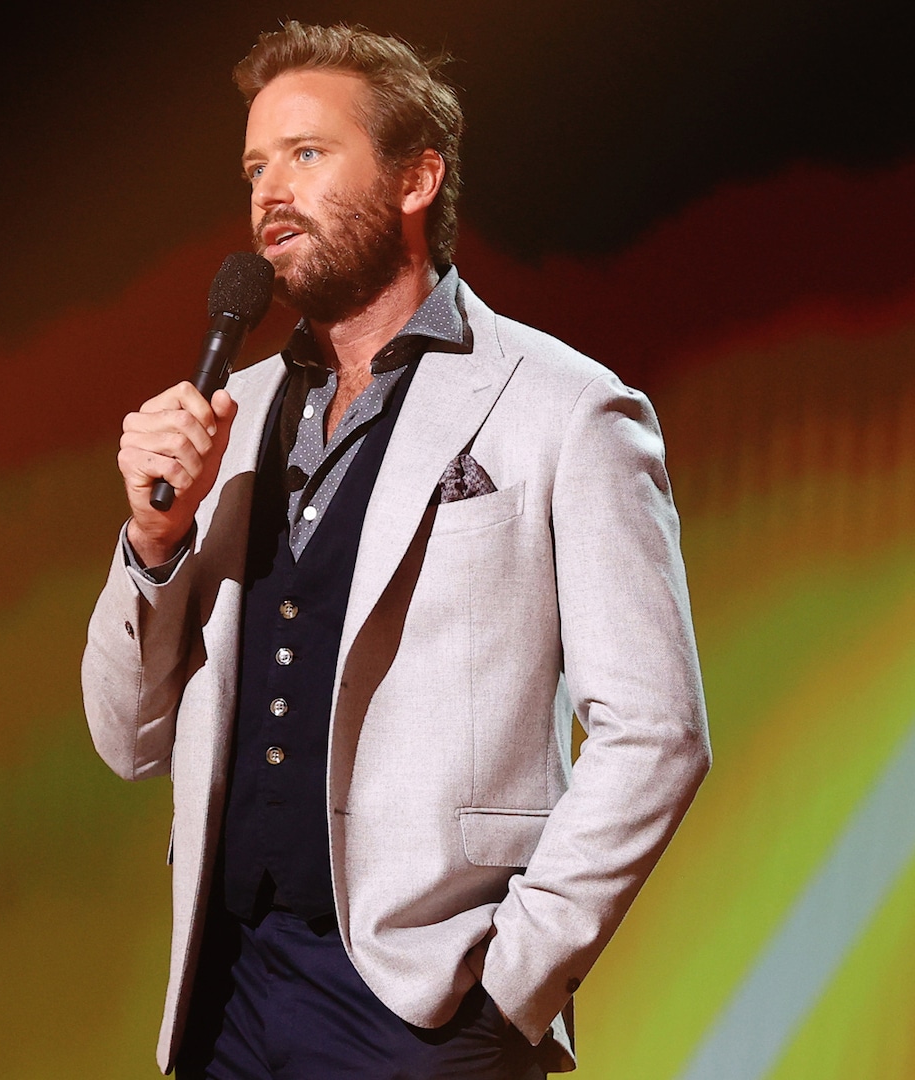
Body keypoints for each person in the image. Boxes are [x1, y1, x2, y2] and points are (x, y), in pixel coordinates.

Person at [83, 21, 710, 1080]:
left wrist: (509, 986)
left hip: (424, 1008)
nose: (271, 193)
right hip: (226, 997)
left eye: (307, 153)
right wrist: (152, 540)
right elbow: (125, 741)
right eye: (255, 167)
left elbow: (659, 731)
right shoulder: (230, 416)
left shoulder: (564, 408)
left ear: (417, 179)